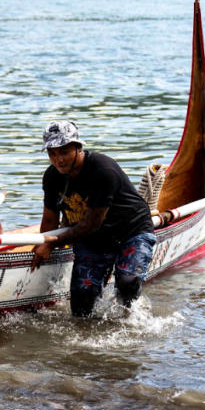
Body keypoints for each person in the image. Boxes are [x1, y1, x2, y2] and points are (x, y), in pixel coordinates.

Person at [30, 121, 157, 315]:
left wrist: (53, 242)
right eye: (52, 154)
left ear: (78, 148)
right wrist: (42, 244)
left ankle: (133, 320)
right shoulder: (51, 177)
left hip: (131, 231)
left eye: (64, 151)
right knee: (81, 307)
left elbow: (91, 224)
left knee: (127, 283)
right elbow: (49, 219)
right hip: (93, 239)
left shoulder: (102, 169)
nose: (58, 160)